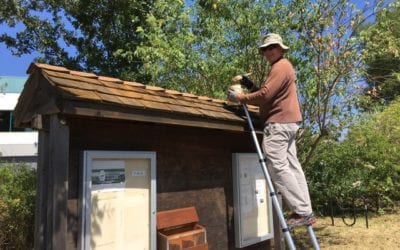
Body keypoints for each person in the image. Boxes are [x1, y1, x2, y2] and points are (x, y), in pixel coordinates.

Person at [228, 33, 315, 227]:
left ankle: (301, 211)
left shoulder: (280, 66)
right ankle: (305, 210)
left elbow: (266, 95)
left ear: (280, 48)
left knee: (277, 164)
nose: (268, 51)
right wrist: (247, 83)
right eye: (265, 49)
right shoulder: (283, 67)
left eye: (272, 47)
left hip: (279, 123)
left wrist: (240, 98)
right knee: (292, 166)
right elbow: (269, 93)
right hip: (289, 123)